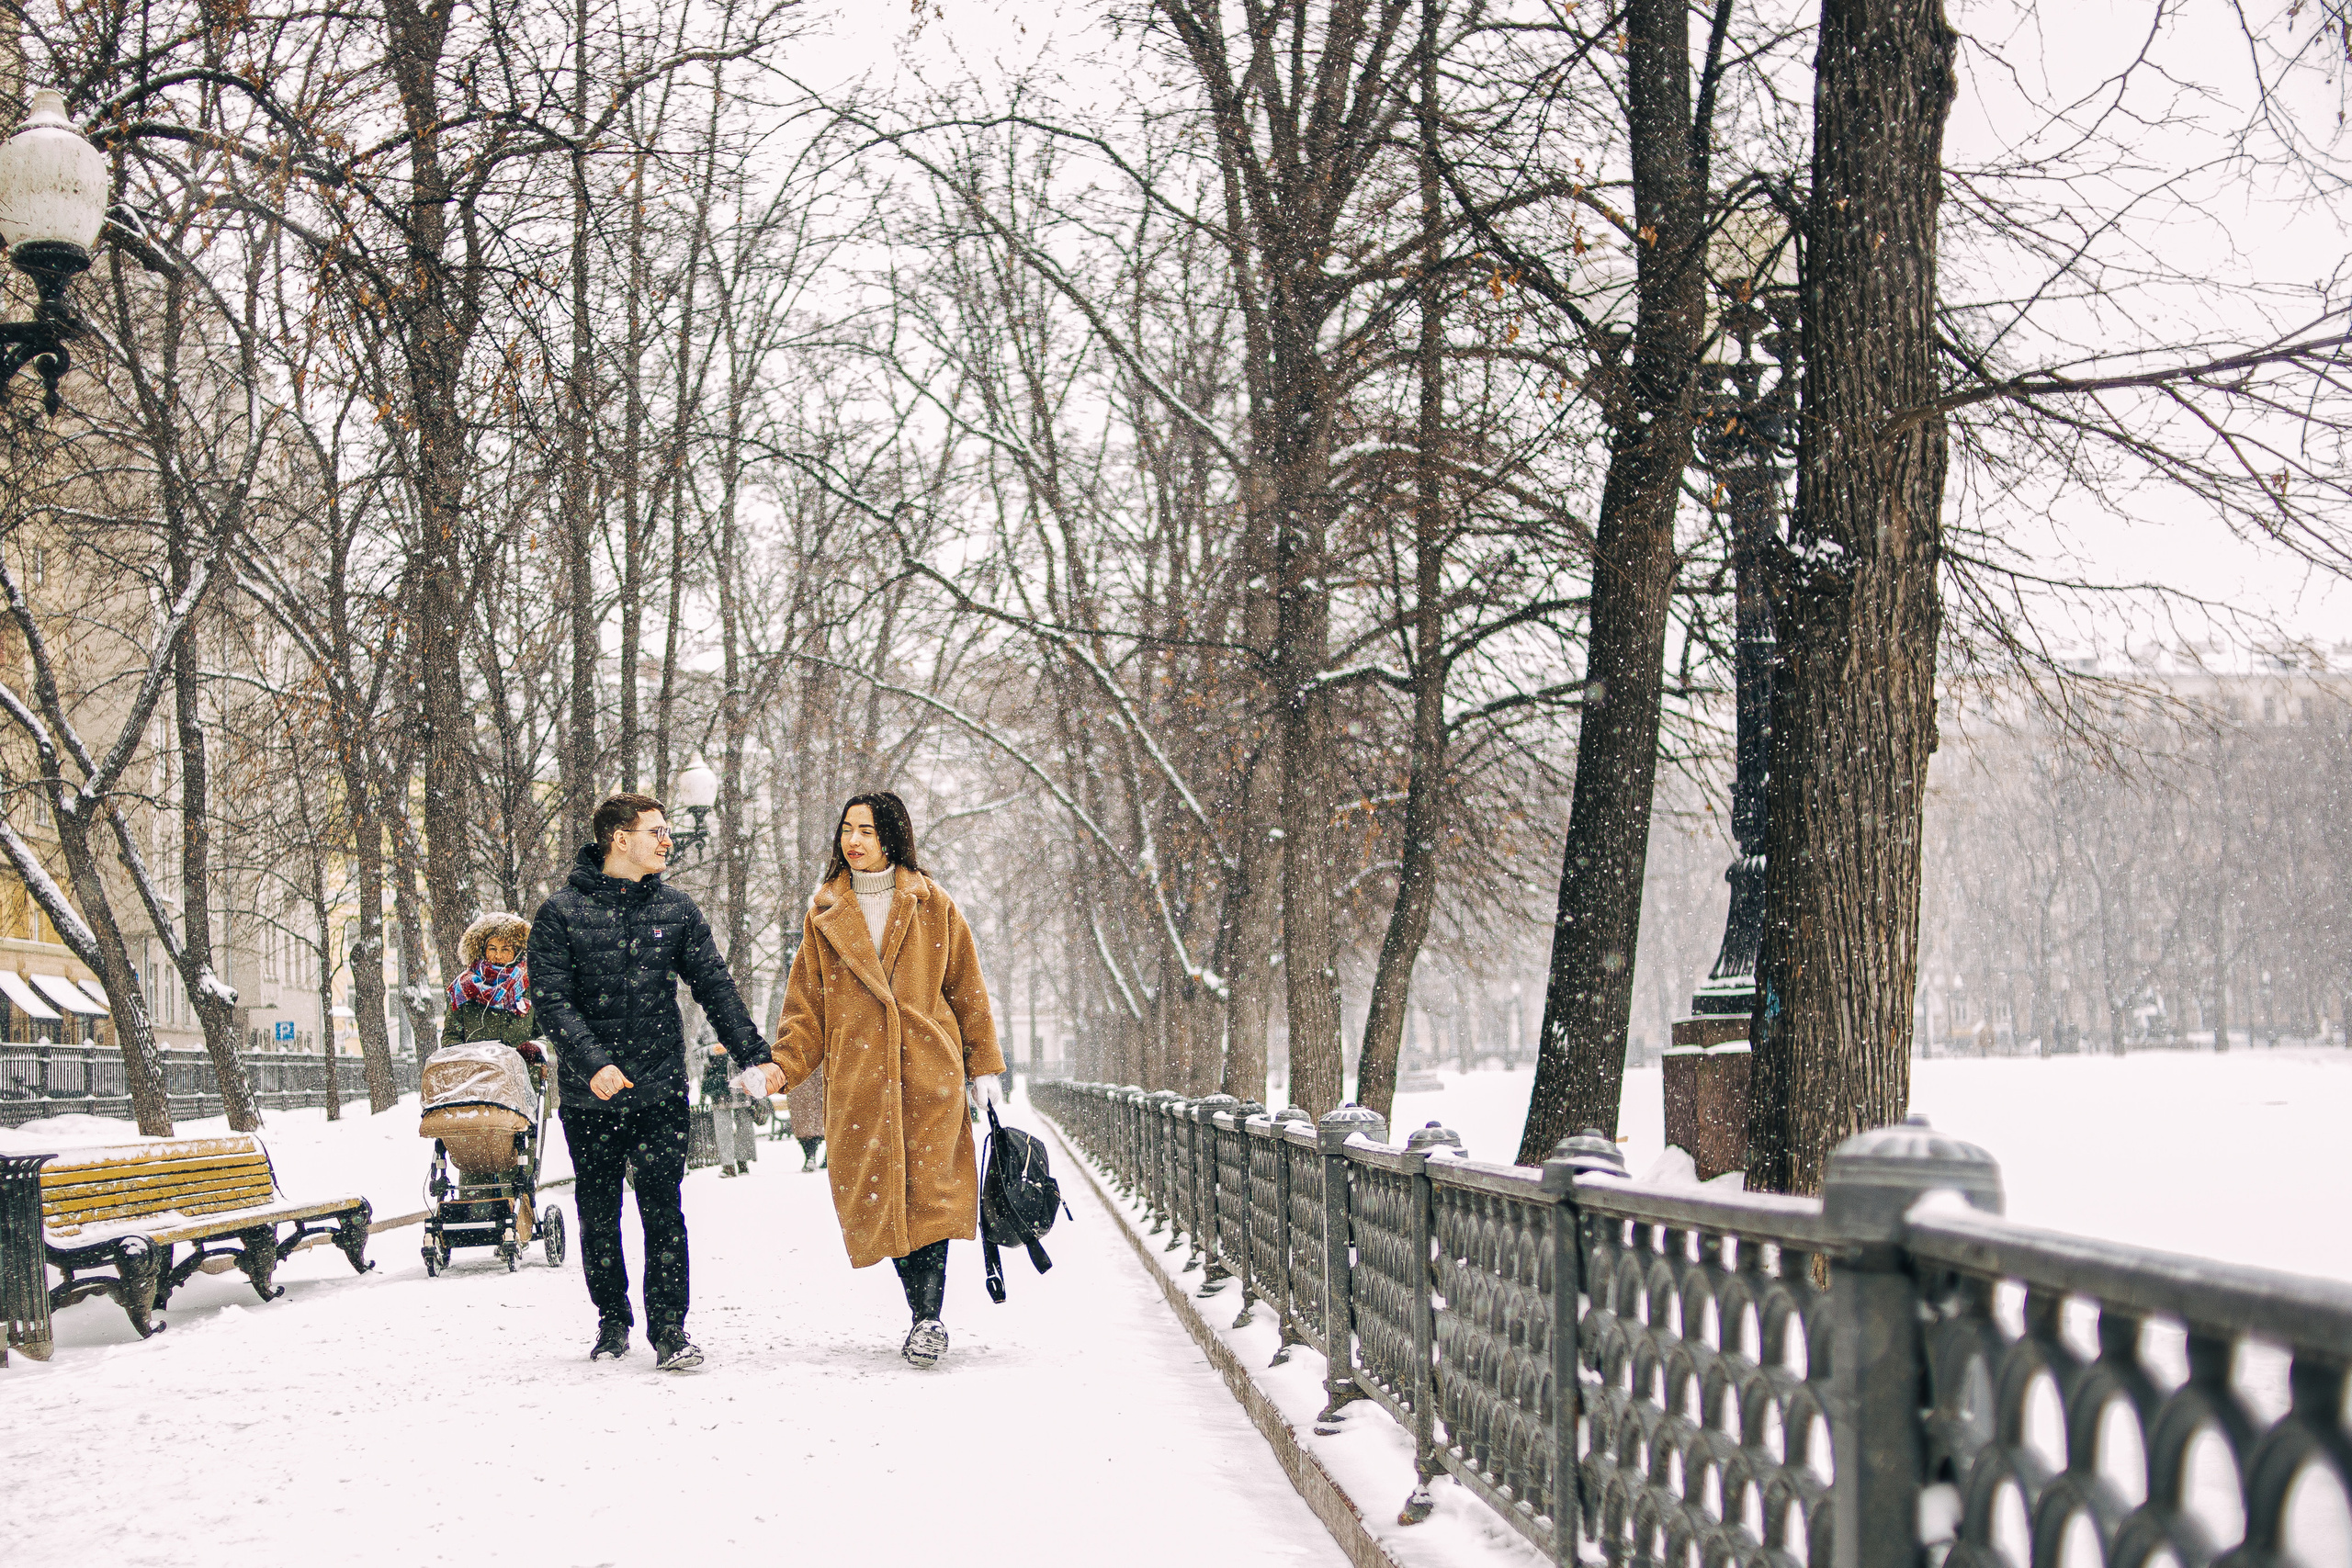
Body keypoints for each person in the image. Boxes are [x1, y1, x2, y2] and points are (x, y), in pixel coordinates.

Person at [752, 791, 1003, 1369]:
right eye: (846, 830)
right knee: (878, 1197)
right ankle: (921, 1310)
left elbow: (967, 987)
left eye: (866, 830)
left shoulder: (931, 904)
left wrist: (982, 1065)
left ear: (891, 836)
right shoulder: (825, 914)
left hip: (928, 1076)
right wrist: (780, 1067)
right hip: (861, 1081)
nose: (854, 841)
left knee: (931, 1196)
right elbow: (805, 1011)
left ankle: (927, 1317)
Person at [531, 791, 775, 1371]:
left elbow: (714, 986)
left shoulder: (677, 911)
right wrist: (593, 1064)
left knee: (664, 1210)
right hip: (592, 1098)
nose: (667, 841)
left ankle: (670, 1329)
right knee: (599, 1210)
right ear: (620, 838)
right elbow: (552, 1001)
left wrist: (755, 1056)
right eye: (656, 831)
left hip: (661, 1088)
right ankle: (612, 1320)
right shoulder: (561, 912)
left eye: (667, 830)